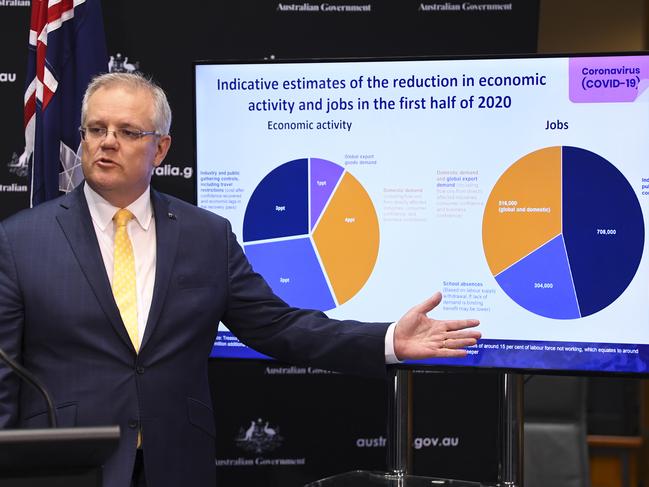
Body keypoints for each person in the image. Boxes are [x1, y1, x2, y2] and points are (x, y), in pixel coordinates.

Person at [0, 72, 480, 487]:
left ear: (160, 148)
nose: (107, 142)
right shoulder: (21, 241)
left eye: (127, 131)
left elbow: (278, 327)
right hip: (70, 466)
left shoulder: (206, 236)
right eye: (96, 129)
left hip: (177, 462)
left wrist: (389, 339)